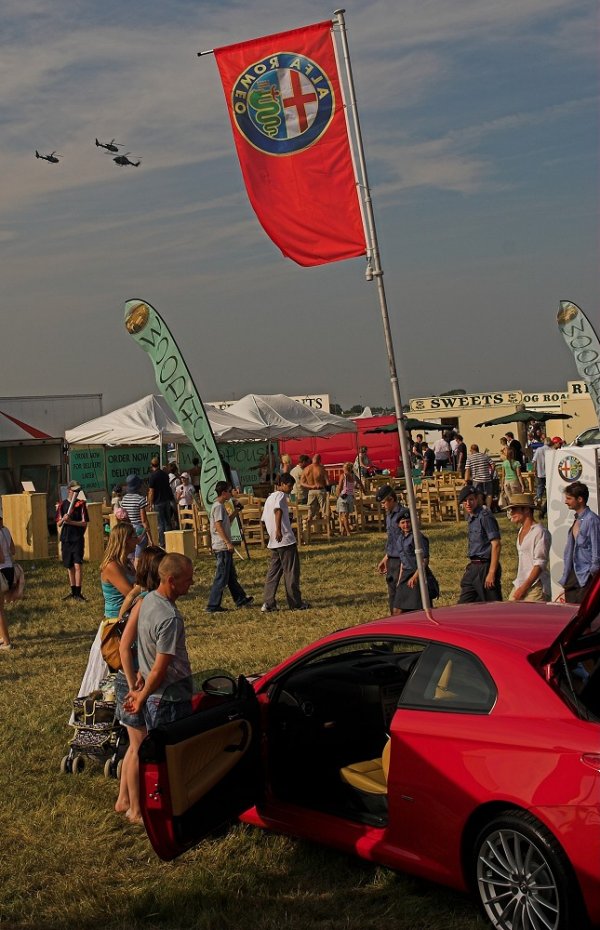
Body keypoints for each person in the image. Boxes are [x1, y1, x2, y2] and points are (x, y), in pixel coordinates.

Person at [114, 546, 166, 823]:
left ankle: (123, 800)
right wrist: (133, 678)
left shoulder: (140, 597)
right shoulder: (147, 601)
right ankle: (135, 809)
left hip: (128, 677)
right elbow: (124, 646)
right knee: (137, 746)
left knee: (134, 743)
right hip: (132, 678)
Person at [124, 553, 194, 729]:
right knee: (173, 755)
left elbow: (148, 646)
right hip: (170, 700)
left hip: (154, 697)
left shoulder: (148, 600)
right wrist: (142, 696)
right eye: (187, 579)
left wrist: (141, 677)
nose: (192, 583)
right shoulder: (170, 618)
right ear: (171, 581)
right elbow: (159, 668)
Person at [261, 473, 309, 612]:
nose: (290, 488)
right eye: (289, 485)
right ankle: (295, 603)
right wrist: (278, 530)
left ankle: (268, 602)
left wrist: (272, 532)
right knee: (291, 572)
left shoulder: (269, 498)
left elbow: (265, 519)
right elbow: (277, 512)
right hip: (285, 540)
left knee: (273, 573)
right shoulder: (281, 496)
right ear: (281, 484)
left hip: (275, 542)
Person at [381, 505, 439, 614]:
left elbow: (424, 560)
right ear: (398, 524)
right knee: (397, 609)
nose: (406, 525)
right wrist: (399, 580)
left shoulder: (418, 537)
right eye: (403, 523)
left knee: (420, 610)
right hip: (405, 575)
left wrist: (415, 576)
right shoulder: (400, 539)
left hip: (418, 573)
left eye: (408, 522)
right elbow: (403, 561)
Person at [206, 481, 253, 613]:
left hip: (222, 545)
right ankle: (213, 605)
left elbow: (227, 521)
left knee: (230, 575)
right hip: (222, 546)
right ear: (223, 493)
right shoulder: (218, 507)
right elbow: (218, 526)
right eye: (229, 490)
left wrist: (236, 511)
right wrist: (228, 542)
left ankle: (240, 598)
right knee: (221, 576)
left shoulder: (220, 507)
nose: (231, 493)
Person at [457, 485, 502, 602]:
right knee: (464, 605)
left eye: (471, 499)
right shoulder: (471, 518)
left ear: (477, 499)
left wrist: (491, 572)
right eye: (465, 501)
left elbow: (496, 544)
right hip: (473, 567)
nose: (468, 503)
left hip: (486, 567)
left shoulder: (485, 517)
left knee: (493, 607)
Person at [559, 482, 600, 603]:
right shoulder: (578, 519)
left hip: (586, 577)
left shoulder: (592, 520)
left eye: (569, 498)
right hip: (574, 575)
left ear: (580, 499)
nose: (566, 502)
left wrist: (591, 576)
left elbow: (596, 550)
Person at [504, 493, 550, 601]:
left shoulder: (539, 532)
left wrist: (523, 588)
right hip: (520, 582)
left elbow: (539, 564)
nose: (512, 513)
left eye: (515, 509)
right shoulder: (521, 530)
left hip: (536, 586)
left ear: (526, 510)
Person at [57, 481, 89, 601]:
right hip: (66, 538)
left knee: (78, 566)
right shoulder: (62, 505)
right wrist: (64, 519)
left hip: (77, 539)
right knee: (69, 566)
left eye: (77, 491)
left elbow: (84, 523)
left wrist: (71, 522)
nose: (76, 492)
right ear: (68, 490)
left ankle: (78, 593)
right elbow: (59, 523)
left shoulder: (81, 505)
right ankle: (73, 592)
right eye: (74, 490)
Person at [375, 484, 404, 612]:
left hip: (401, 560)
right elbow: (392, 540)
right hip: (392, 559)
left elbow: (405, 541)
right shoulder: (389, 515)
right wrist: (386, 557)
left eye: (383, 502)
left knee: (400, 595)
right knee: (392, 593)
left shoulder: (403, 516)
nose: (382, 506)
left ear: (392, 499)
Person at [121, 474, 153, 564]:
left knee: (130, 555)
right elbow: (144, 520)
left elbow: (124, 515)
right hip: (139, 529)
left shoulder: (124, 499)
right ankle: (138, 574)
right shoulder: (141, 499)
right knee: (139, 556)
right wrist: (150, 538)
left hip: (128, 528)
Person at [147, 456, 174, 547]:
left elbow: (151, 491)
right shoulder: (165, 474)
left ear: (151, 465)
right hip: (166, 500)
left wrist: (150, 503)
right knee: (168, 521)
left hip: (158, 502)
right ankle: (170, 540)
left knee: (160, 524)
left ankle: (162, 543)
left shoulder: (152, 476)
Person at [336, 462, 365, 536]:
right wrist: (364, 491)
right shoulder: (353, 476)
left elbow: (339, 487)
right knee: (345, 515)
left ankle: (348, 532)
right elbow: (360, 483)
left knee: (344, 516)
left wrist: (338, 496)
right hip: (350, 497)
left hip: (343, 496)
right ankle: (343, 531)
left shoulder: (343, 475)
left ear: (345, 468)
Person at [0, 514, 16, 650]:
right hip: (10, 570)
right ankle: (2, 636)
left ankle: (6, 642)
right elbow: (13, 550)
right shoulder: (5, 530)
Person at [464, 444, 495, 509]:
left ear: (472, 450)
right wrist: (491, 474)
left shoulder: (470, 457)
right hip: (487, 478)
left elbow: (467, 469)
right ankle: (488, 508)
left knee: (479, 494)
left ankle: (481, 509)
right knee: (489, 494)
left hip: (477, 479)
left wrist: (466, 480)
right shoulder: (485, 456)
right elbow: (493, 464)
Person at [300, 453, 329, 522]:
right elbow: (327, 482)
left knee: (310, 510)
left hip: (311, 491)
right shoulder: (321, 468)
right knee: (325, 510)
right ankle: (328, 529)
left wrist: (311, 486)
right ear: (319, 460)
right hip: (320, 490)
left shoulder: (306, 469)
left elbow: (301, 483)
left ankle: (309, 526)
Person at [532, 437, 551, 515]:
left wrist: (534, 470)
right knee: (549, 488)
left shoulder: (539, 449)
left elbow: (534, 460)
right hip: (549, 473)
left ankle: (539, 500)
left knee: (540, 487)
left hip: (540, 472)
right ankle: (548, 501)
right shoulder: (551, 450)